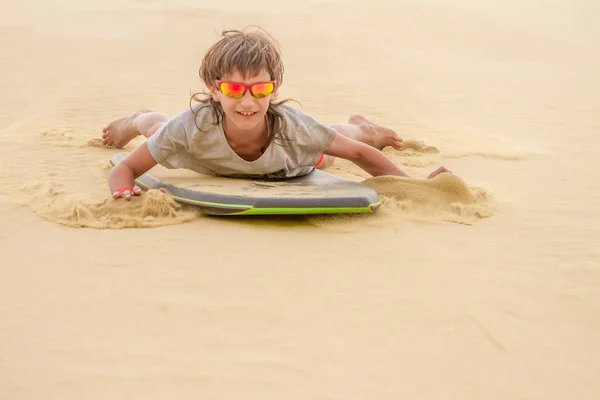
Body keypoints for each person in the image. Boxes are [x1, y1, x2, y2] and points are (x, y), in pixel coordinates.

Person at [103, 28, 450, 200]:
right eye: (234, 89)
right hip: (203, 156)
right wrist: (123, 195)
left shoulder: (294, 130)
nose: (248, 101)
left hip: (286, 167)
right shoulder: (191, 125)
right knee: (159, 128)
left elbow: (358, 156)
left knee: (328, 149)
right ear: (214, 89)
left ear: (276, 86)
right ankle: (138, 117)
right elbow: (127, 168)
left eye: (261, 89)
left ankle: (362, 127)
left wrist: (416, 187)